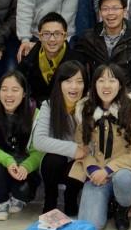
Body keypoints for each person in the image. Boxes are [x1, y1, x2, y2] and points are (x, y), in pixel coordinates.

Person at [73, 64, 131, 230]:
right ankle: (106, 203)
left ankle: (122, 209)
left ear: (120, 85)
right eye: (101, 80)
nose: (106, 86)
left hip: (122, 169)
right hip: (96, 173)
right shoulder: (85, 110)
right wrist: (93, 169)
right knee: (90, 226)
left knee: (124, 179)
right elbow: (80, 147)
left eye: (112, 80)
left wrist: (107, 170)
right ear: (94, 85)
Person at [0, 71, 43, 221]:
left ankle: (19, 197)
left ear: (24, 93)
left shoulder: (35, 114)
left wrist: (26, 167)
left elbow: (39, 150)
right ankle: (1, 202)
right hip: (1, 163)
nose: (9, 95)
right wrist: (8, 161)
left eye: (15, 90)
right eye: (4, 89)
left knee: (24, 189)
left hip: (23, 163)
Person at [33, 60, 89, 215]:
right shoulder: (49, 105)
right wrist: (73, 149)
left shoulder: (90, 108)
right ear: (59, 83)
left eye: (79, 82)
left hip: (80, 164)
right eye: (68, 81)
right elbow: (39, 140)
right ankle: (50, 200)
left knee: (82, 162)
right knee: (53, 159)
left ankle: (71, 198)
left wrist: (81, 152)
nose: (74, 87)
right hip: (57, 165)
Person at [70, 0, 131, 91]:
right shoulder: (88, 37)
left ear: (125, 11)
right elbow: (78, 69)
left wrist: (123, 95)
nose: (110, 13)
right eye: (105, 9)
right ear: (100, 12)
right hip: (96, 94)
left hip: (127, 94)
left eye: (115, 8)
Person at [18, 13, 71, 101]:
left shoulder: (76, 61)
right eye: (46, 34)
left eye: (57, 34)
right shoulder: (28, 61)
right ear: (40, 36)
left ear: (65, 36)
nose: (52, 39)